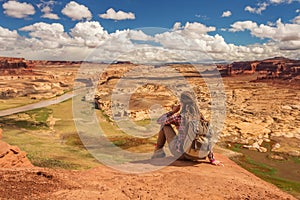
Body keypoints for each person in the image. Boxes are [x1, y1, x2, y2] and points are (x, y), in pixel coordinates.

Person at [151, 91, 223, 166]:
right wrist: (212, 159)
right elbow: (207, 139)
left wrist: (173, 111)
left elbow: (160, 120)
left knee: (165, 126)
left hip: (181, 155)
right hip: (198, 156)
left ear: (182, 103)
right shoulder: (201, 119)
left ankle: (158, 153)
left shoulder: (180, 117)